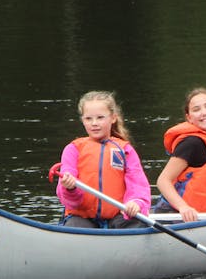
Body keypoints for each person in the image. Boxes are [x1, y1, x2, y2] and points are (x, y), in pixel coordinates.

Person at [56, 91, 151, 228]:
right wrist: (69, 188)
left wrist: (136, 202)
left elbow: (138, 184)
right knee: (74, 226)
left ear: (113, 118)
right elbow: (68, 200)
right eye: (88, 119)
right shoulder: (73, 149)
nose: (94, 123)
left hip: (117, 216)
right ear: (83, 120)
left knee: (138, 221)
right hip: (82, 218)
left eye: (100, 117)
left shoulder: (125, 150)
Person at [155, 88, 206, 222]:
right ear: (189, 117)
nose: (204, 113)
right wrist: (183, 207)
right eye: (196, 109)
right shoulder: (192, 143)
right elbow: (163, 181)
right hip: (177, 215)